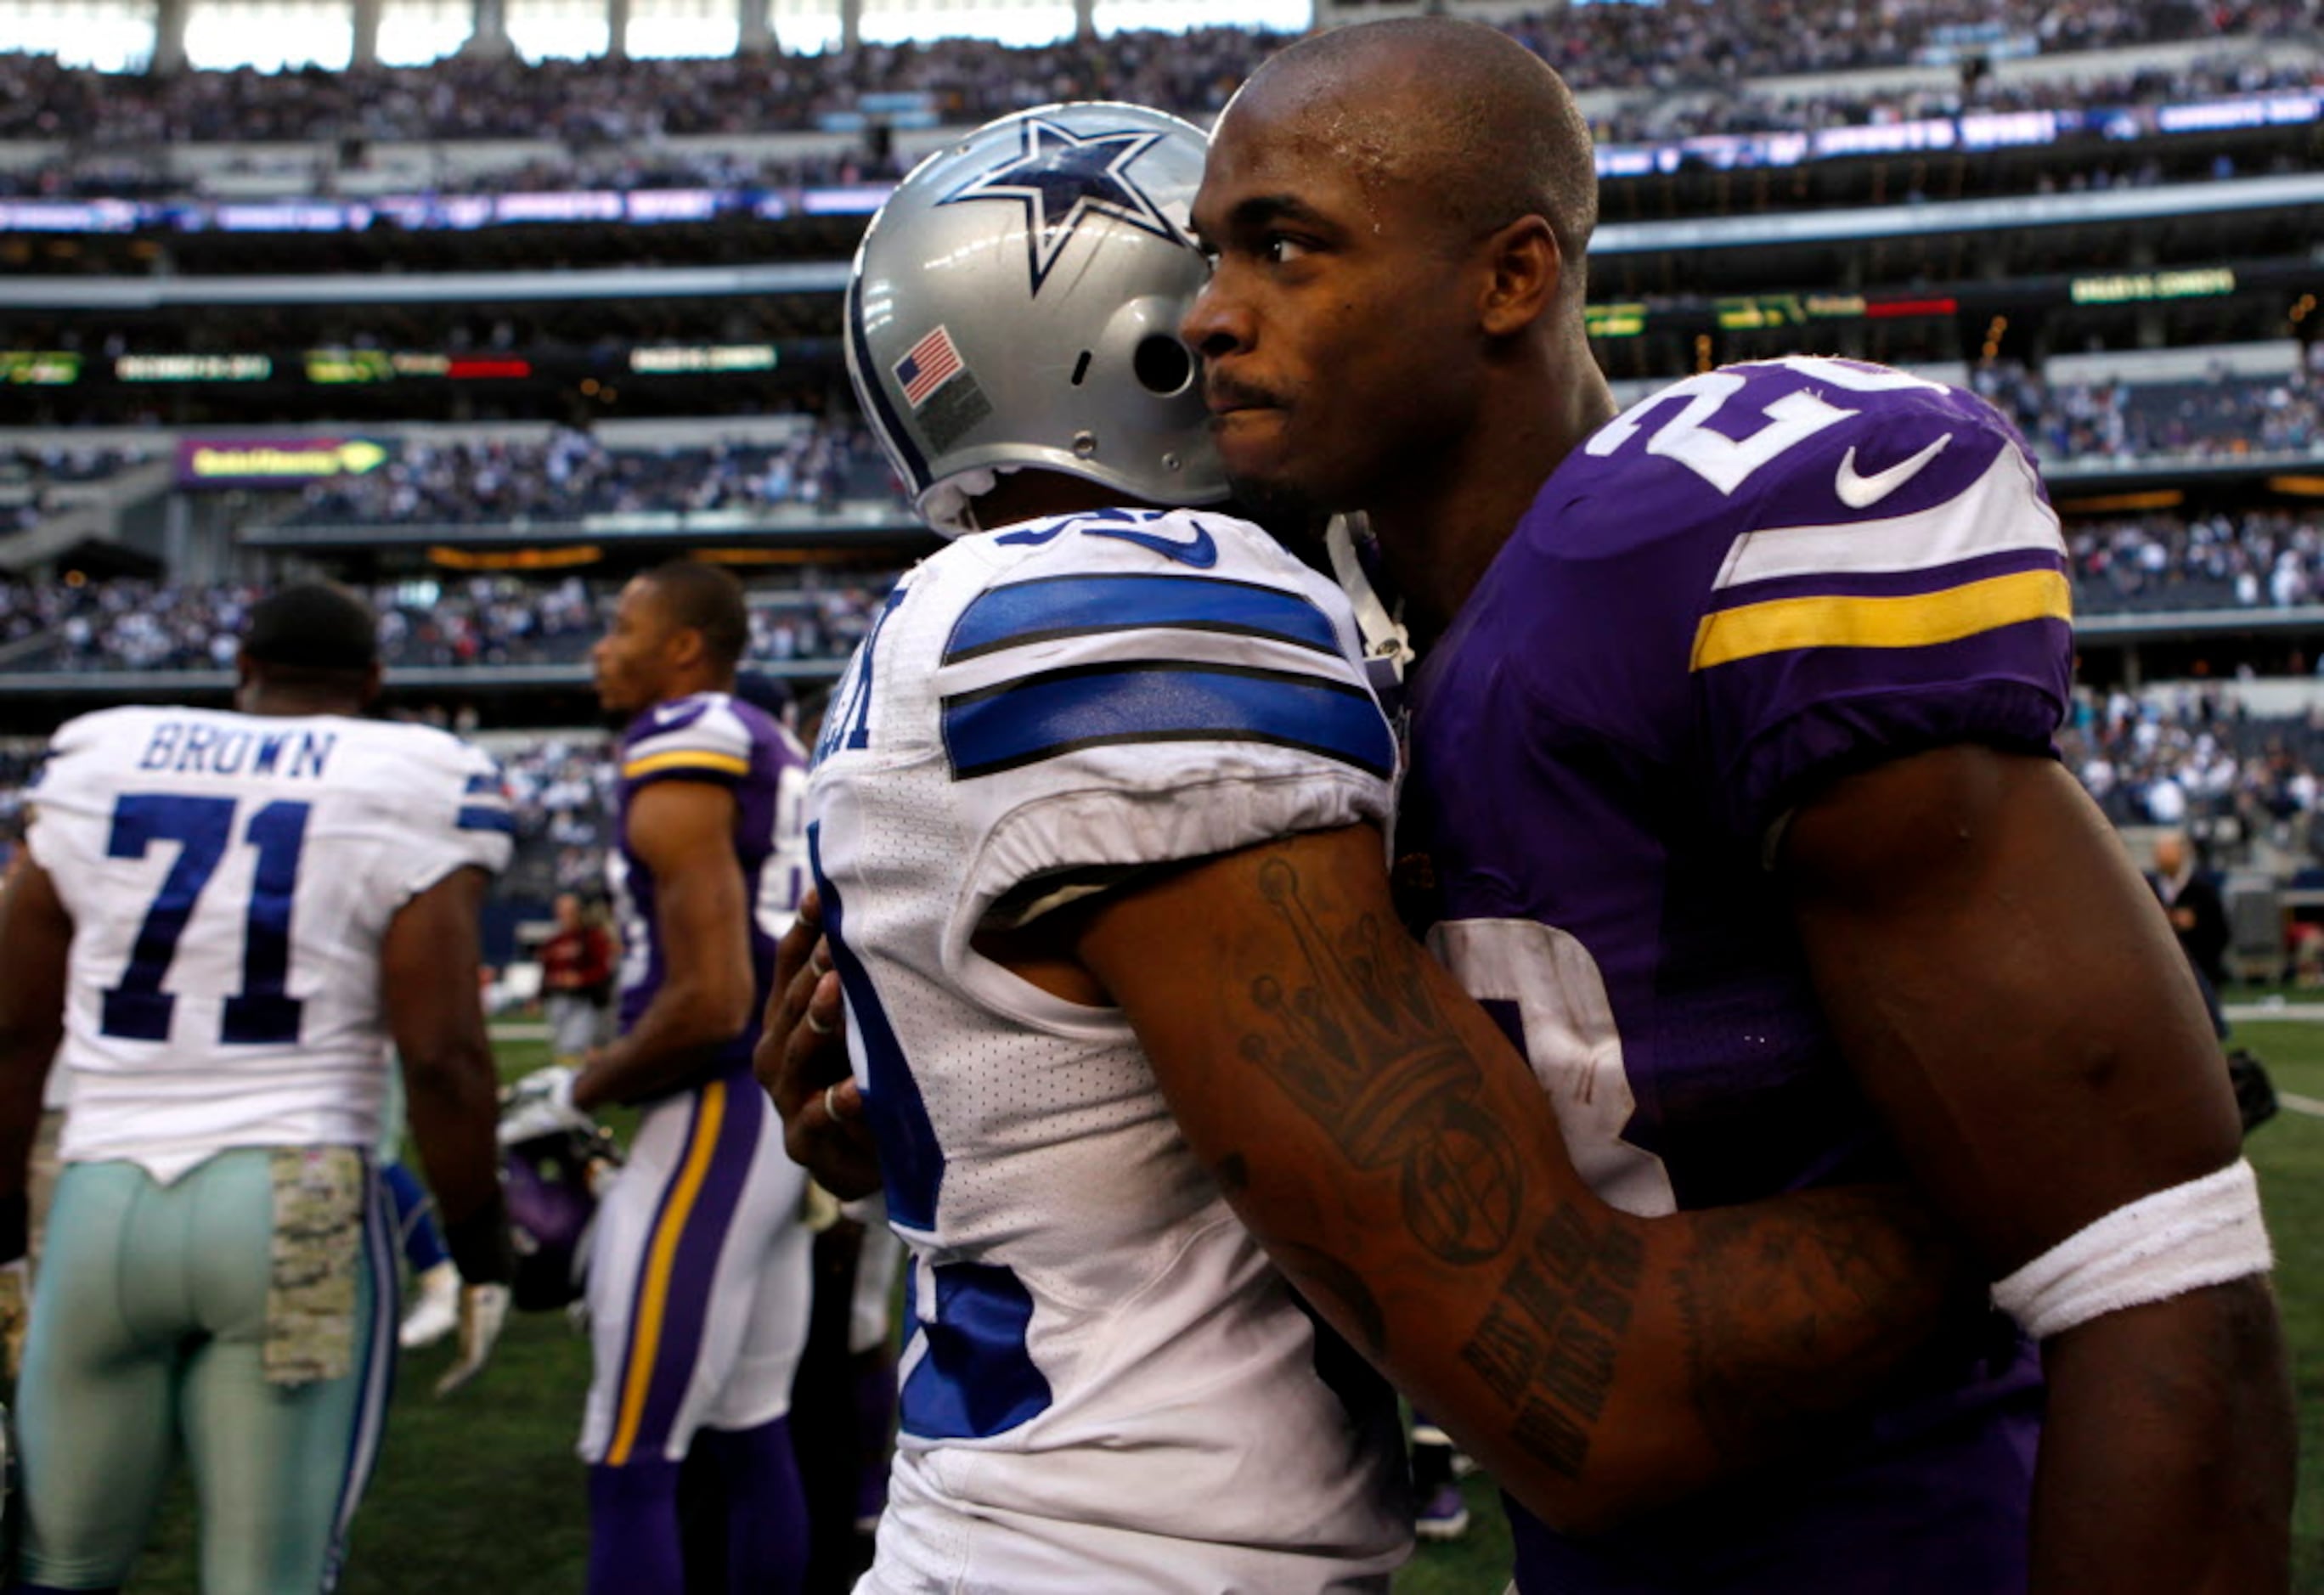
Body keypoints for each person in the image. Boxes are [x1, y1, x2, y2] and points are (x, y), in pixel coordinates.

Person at [780, 25, 2293, 1589]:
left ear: (1510, 277)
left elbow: (2155, 1276)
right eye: (1209, 259)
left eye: (1283, 251)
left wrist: (2069, 1177)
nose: (1211, 316)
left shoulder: (1717, 535)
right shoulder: (1294, 657)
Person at [0, 581, 516, 1594]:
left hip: (100, 1202)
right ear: (372, 681)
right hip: (296, 1198)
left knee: (59, 1566)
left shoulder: (103, 757)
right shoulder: (413, 774)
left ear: (244, 670)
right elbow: (445, 1054)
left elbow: (13, 1026)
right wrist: (478, 1239)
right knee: (268, 1576)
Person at [573, 559, 815, 1595]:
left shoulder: (690, 734)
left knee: (630, 1456)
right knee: (751, 1427)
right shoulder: (769, 741)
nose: (601, 648)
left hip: (715, 1106)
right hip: (769, 1114)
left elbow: (713, 999)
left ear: (682, 647)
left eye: (621, 629)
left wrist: (579, 1087)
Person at [539, 892, 615, 1068]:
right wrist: (544, 990)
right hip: (558, 999)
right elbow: (546, 970)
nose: (564, 916)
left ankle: (573, 1084)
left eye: (569, 911)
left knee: (574, 1046)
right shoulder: (554, 941)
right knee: (561, 1047)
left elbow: (602, 969)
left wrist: (580, 979)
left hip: (583, 999)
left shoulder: (591, 937)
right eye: (561, 911)